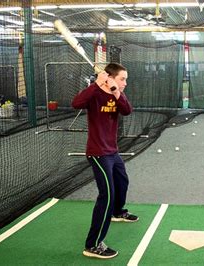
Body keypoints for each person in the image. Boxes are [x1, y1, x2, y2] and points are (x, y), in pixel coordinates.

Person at [72, 63, 139, 259]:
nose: (125, 83)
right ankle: (92, 245)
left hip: (112, 151)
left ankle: (118, 212)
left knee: (122, 181)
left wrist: (117, 92)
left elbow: (127, 110)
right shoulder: (94, 94)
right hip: (98, 153)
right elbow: (76, 103)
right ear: (110, 77)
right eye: (122, 79)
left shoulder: (115, 94)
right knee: (106, 196)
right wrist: (96, 84)